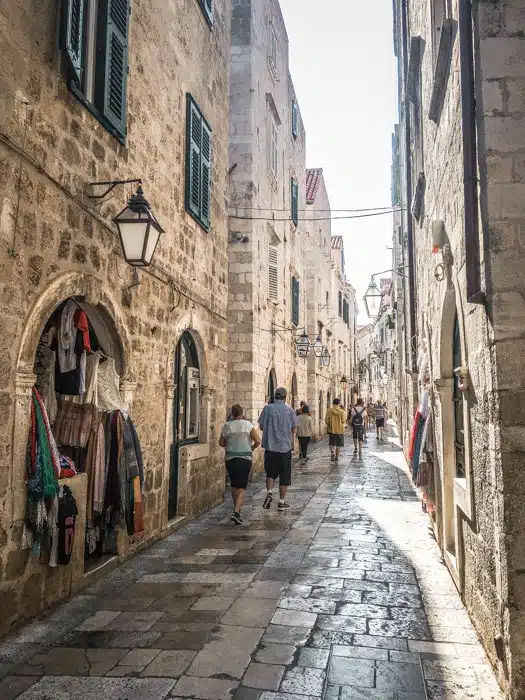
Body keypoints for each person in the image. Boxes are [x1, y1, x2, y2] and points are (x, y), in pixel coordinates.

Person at [258, 387, 298, 511]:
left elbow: (261, 426)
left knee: (270, 473)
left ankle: (270, 492)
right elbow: (294, 429)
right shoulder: (290, 411)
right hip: (284, 448)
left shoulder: (267, 408)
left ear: (274, 396)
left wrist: (271, 430)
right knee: (284, 476)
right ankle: (281, 502)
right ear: (285, 397)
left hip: (270, 447)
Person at [220, 404, 261, 524]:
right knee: (242, 485)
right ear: (242, 413)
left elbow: (221, 443)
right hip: (244, 458)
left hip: (230, 458)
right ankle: (237, 512)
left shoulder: (227, 426)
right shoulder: (247, 425)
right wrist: (250, 448)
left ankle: (236, 510)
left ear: (232, 414)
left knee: (234, 484)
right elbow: (258, 441)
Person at [325, 398, 346, 463]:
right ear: (339, 404)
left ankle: (332, 452)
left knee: (331, 443)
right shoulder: (342, 412)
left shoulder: (329, 411)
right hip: (339, 430)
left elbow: (326, 421)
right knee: (338, 445)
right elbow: (343, 420)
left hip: (331, 430)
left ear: (333, 403)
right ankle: (336, 458)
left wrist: (330, 423)